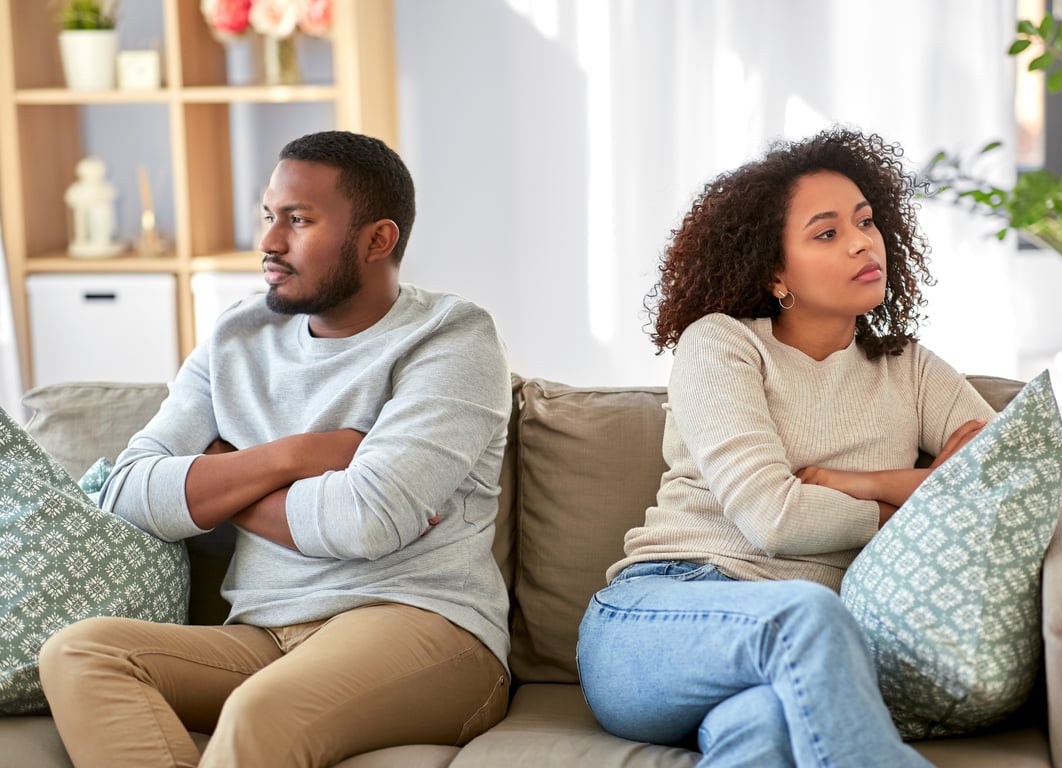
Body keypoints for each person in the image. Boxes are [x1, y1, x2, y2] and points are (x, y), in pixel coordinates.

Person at [39, 131, 513, 767]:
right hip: (264, 634)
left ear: (378, 239)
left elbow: (366, 520)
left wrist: (215, 476)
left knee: (264, 711)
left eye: (299, 220)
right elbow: (125, 494)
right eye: (270, 215)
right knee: (79, 652)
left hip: (421, 626)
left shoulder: (452, 338)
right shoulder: (237, 335)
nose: (268, 241)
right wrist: (296, 457)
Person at [576, 127, 996, 767]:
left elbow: (1000, 473)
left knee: (763, 735)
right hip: (660, 614)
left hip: (787, 662)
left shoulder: (909, 368)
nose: (862, 241)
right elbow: (774, 518)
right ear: (776, 273)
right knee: (805, 614)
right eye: (827, 233)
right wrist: (911, 499)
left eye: (866, 221)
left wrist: (859, 483)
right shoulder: (723, 344)